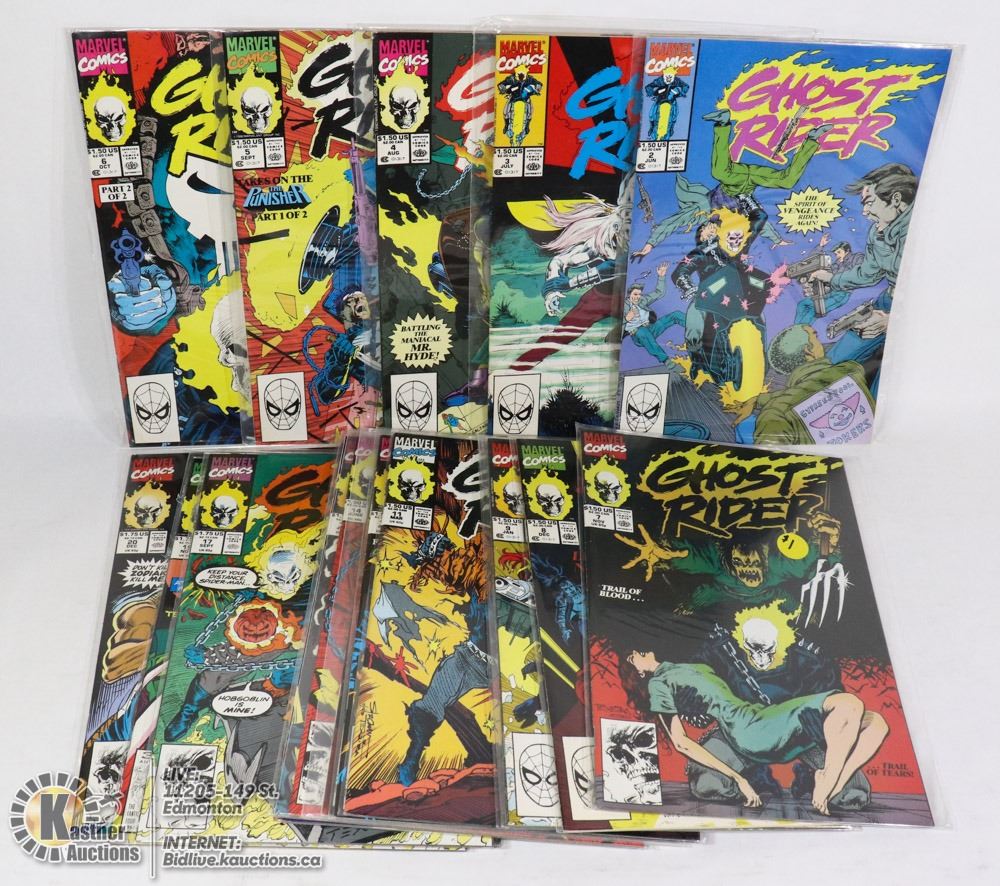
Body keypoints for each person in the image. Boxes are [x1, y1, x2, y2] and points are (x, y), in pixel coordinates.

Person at [626, 649, 888, 815]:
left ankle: (834, 782)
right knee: (848, 703)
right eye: (632, 657)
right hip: (750, 729)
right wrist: (738, 779)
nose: (636, 651)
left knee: (877, 723)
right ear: (638, 671)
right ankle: (830, 778)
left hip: (761, 714)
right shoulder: (658, 683)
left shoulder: (681, 666)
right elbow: (681, 742)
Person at [809, 163, 918, 396]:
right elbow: (868, 272)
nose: (865, 212)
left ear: (895, 199)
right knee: (830, 367)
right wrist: (831, 279)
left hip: (918, 318)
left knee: (885, 390)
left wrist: (896, 322)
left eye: (869, 203)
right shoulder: (878, 232)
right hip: (887, 302)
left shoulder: (928, 228)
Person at [623, 262, 685, 366]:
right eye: (635, 294)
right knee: (642, 332)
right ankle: (666, 361)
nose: (637, 297)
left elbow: (659, 292)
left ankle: (697, 328)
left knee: (676, 315)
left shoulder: (642, 300)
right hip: (638, 335)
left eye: (639, 294)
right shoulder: (623, 306)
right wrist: (626, 319)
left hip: (651, 328)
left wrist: (661, 277)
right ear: (629, 294)